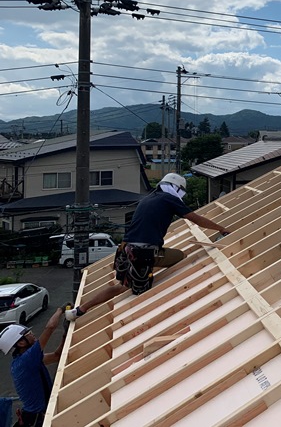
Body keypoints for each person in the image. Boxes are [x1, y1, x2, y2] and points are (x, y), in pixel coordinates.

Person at [64, 173, 228, 321]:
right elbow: (196, 219)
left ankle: (80, 310)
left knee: (121, 285)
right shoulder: (169, 199)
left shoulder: (149, 198)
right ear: (176, 188)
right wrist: (221, 228)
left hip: (124, 251)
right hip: (143, 254)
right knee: (180, 257)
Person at [0, 307, 66, 426]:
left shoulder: (24, 361)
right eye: (28, 334)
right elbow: (50, 328)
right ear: (21, 343)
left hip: (35, 415)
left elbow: (56, 356)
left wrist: (64, 336)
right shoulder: (26, 360)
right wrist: (60, 310)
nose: (33, 334)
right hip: (37, 419)